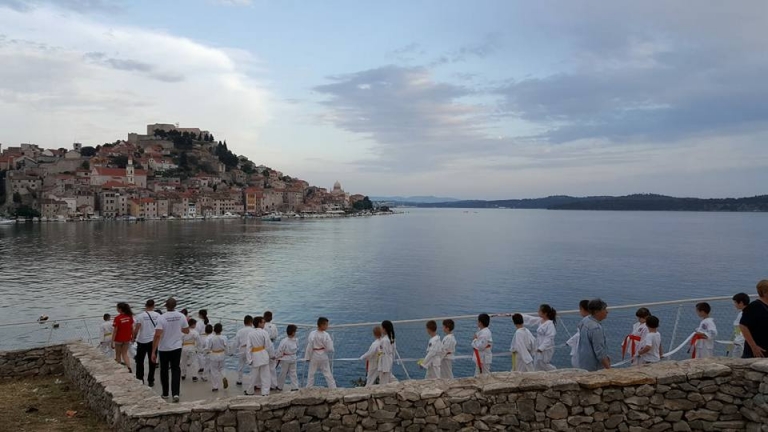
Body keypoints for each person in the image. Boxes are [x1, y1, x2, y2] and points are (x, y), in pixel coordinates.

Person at [151, 298, 190, 403]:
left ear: (166, 306)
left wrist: (153, 351)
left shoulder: (161, 318)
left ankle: (165, 393)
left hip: (164, 348)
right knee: (176, 369)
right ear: (175, 305)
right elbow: (186, 330)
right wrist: (177, 329)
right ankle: (176, 393)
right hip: (177, 347)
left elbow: (157, 335)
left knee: (164, 370)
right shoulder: (181, 316)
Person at [577, 299, 611, 371]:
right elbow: (599, 351)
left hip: (583, 362)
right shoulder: (596, 328)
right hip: (594, 367)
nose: (607, 312)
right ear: (596, 312)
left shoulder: (585, 320)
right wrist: (609, 368)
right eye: (604, 309)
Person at [133, 299, 160, 387]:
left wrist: (133, 337)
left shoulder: (140, 316)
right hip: (154, 341)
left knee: (140, 361)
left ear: (146, 305)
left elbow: (137, 329)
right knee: (152, 361)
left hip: (142, 340)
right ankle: (151, 380)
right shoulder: (158, 315)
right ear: (154, 305)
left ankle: (140, 378)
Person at [245, 316, 274, 396]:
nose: (264, 324)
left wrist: (249, 359)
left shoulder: (250, 333)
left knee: (253, 376)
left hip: (255, 356)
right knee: (265, 375)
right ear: (259, 323)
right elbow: (268, 346)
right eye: (263, 322)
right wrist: (272, 355)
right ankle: (265, 392)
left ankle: (250, 391)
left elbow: (248, 347)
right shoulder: (264, 333)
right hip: (264, 355)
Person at [305, 317, 336, 388]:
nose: (327, 326)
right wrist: (331, 350)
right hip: (323, 355)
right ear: (322, 325)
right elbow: (330, 348)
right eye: (326, 325)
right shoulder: (326, 335)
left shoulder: (312, 334)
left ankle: (308, 388)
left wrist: (307, 357)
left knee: (311, 373)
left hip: (314, 354)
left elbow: (309, 347)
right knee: (327, 373)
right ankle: (333, 388)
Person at [523, 305, 557, 371]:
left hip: (546, 348)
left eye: (539, 311)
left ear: (545, 313)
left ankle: (555, 371)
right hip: (539, 345)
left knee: (543, 363)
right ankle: (537, 374)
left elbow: (549, 338)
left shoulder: (550, 324)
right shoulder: (541, 320)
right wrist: (518, 315)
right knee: (537, 362)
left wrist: (541, 348)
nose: (538, 312)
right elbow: (530, 319)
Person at [740, 280, 768, 358]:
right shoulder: (754, 307)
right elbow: (743, 326)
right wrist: (754, 346)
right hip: (758, 351)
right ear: (764, 292)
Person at [565, 300, 589, 368]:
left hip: (582, 350)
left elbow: (580, 335)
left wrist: (570, 342)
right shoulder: (586, 321)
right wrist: (569, 341)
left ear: (582, 309)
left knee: (578, 364)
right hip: (582, 349)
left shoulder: (586, 322)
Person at [275, 324, 299, 391]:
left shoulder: (284, 341)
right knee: (293, 373)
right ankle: (295, 387)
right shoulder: (296, 340)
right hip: (293, 357)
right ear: (293, 332)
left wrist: (277, 357)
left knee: (283, 373)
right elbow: (297, 348)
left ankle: (280, 386)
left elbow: (280, 350)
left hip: (285, 358)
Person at [112, 302, 134, 372]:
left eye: (117, 308)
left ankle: (119, 368)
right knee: (125, 354)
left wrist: (112, 341)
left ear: (120, 309)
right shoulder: (129, 317)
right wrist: (133, 337)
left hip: (119, 339)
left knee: (118, 354)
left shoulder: (117, 318)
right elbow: (132, 328)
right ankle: (129, 367)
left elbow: (115, 331)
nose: (116, 309)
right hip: (127, 338)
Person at [207, 323, 228, 392]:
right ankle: (224, 377)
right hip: (222, 354)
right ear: (221, 330)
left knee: (214, 371)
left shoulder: (212, 338)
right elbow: (226, 347)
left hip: (214, 355)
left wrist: (207, 352)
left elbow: (209, 347)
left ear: (214, 330)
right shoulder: (224, 337)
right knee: (222, 368)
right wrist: (228, 353)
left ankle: (215, 386)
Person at [234, 315, 254, 386]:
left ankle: (239, 380)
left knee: (241, 365)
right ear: (251, 322)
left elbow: (236, 342)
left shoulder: (240, 331)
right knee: (252, 365)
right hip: (251, 349)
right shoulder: (253, 330)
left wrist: (235, 351)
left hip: (242, 348)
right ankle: (252, 381)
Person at [731, 293, 750, 358]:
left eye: (735, 302)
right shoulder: (746, 313)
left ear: (741, 303)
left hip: (741, 342)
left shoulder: (743, 314)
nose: (734, 304)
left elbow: (741, 329)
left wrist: (738, 340)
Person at [264, 311, 279, 390]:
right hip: (272, 344)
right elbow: (276, 335)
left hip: (263, 347)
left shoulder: (262, 327)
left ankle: (263, 384)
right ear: (271, 318)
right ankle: (273, 384)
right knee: (272, 367)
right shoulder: (274, 326)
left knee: (263, 366)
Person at [378, 320, 396, 385]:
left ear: (384, 329)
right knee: (388, 379)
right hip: (389, 363)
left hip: (384, 366)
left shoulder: (385, 340)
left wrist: (384, 369)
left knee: (383, 383)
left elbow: (384, 354)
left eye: (381, 327)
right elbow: (393, 352)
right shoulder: (391, 339)